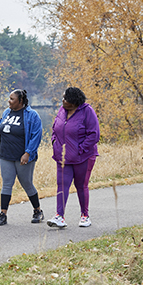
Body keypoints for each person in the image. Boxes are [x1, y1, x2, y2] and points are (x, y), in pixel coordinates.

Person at [47, 87, 100, 228]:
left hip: (83, 156)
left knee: (81, 186)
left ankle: (85, 216)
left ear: (74, 101)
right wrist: (54, 143)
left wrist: (80, 149)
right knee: (62, 185)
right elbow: (55, 128)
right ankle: (59, 216)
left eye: (65, 98)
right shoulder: (62, 110)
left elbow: (94, 135)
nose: (62, 100)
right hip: (63, 156)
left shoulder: (87, 111)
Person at [0, 89, 44, 226]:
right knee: (7, 184)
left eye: (12, 99)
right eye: (9, 98)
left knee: (27, 183)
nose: (9, 101)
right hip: (6, 155)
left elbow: (36, 136)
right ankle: (3, 214)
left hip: (23, 157)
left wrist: (28, 153)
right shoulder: (6, 112)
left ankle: (37, 211)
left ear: (20, 101)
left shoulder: (32, 115)